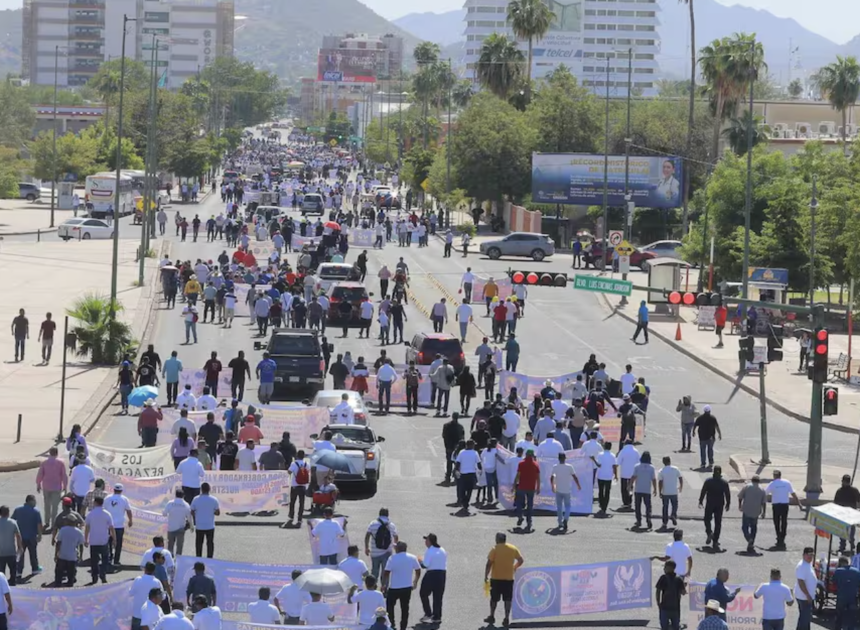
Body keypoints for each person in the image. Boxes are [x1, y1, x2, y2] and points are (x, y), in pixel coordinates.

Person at [485, 532, 523, 628]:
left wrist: (486, 575)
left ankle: (492, 616)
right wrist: (514, 567)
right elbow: (521, 560)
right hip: (509, 579)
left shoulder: (495, 549)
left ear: (497, 539)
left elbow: (489, 563)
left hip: (496, 578)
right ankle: (506, 618)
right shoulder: (513, 548)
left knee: (494, 599)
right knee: (507, 599)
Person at [383, 541, 421, 630]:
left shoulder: (392, 558)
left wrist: (384, 584)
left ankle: (392, 624)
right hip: (407, 587)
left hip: (394, 588)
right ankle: (403, 627)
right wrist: (415, 582)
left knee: (390, 606)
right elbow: (418, 570)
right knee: (405, 608)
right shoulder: (412, 557)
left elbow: (386, 573)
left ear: (397, 549)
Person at [765, 470, 801, 550]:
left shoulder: (772, 484)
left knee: (776, 521)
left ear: (774, 476)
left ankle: (779, 536)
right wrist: (799, 503)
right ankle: (782, 536)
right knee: (784, 521)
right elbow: (793, 493)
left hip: (776, 505)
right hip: (785, 505)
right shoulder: (787, 482)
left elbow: (765, 493)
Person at [699, 466, 731, 551]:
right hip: (719, 504)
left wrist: (700, 501)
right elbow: (727, 494)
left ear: (713, 472)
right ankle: (715, 540)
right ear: (720, 473)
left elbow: (703, 491)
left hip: (710, 503)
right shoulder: (724, 482)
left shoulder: (708, 481)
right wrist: (728, 504)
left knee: (707, 519)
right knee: (718, 522)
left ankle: (709, 532)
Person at [35, 446, 67, 532]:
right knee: (55, 506)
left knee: (47, 505)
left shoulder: (44, 463)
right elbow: (64, 475)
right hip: (56, 487)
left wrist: (38, 484)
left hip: (46, 487)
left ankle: (46, 522)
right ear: (57, 453)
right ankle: (53, 523)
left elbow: (40, 474)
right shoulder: (61, 463)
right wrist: (65, 486)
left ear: (49, 453)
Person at [84, 496, 114, 584]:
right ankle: (103, 574)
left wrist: (86, 539)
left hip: (93, 541)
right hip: (104, 540)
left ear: (95, 503)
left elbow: (87, 527)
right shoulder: (107, 514)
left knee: (94, 560)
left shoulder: (90, 514)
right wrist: (114, 539)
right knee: (105, 559)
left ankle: (94, 577)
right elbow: (111, 528)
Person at [419, 534, 447, 624]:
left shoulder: (429, 550)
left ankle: (428, 613)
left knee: (423, 593)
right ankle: (437, 616)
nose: (425, 542)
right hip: (442, 574)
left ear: (430, 541)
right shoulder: (442, 549)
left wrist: (420, 561)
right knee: (438, 596)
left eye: (426, 540)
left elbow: (425, 565)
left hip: (431, 574)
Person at [550, 453, 581, 531]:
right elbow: (575, 477)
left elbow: (551, 477)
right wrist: (578, 485)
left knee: (559, 506)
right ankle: (566, 519)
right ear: (565, 458)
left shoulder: (555, 467)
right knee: (568, 506)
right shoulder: (569, 467)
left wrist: (553, 486)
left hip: (559, 489)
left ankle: (560, 522)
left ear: (558, 458)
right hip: (567, 490)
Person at [366, 507, 399, 579]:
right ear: (388, 515)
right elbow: (396, 536)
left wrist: (366, 548)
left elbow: (367, 535)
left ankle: (372, 586)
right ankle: (384, 588)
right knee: (385, 572)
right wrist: (394, 545)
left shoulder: (373, 523)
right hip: (387, 552)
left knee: (374, 571)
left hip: (375, 553)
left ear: (379, 514)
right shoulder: (391, 525)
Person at [105, 483, 133, 566]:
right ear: (121, 491)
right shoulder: (124, 499)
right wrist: (130, 520)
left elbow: (103, 509)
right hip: (119, 525)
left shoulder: (107, 498)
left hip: (108, 524)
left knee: (108, 542)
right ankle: (116, 561)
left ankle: (109, 558)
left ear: (113, 489)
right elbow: (128, 510)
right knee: (118, 543)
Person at [129, 563, 163, 630]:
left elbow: (130, 593)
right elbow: (162, 597)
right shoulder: (157, 582)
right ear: (154, 571)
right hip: (150, 616)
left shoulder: (138, 580)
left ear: (145, 569)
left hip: (137, 614)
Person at [190, 483, 220, 558]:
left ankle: (198, 558)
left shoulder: (196, 499)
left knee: (199, 544)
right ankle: (209, 558)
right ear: (209, 489)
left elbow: (192, 511)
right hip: (210, 525)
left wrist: (197, 514)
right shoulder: (214, 499)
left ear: (201, 489)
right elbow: (217, 512)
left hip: (199, 525)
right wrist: (212, 511)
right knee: (210, 543)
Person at [630, 451, 657, 529]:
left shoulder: (637, 466)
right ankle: (648, 517)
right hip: (647, 489)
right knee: (648, 506)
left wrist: (630, 485)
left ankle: (639, 520)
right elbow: (654, 479)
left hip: (638, 489)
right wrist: (655, 489)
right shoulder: (651, 467)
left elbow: (633, 477)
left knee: (637, 506)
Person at [656, 560, 686, 630]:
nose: (664, 569)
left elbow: (658, 591)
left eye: (665, 567)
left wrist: (658, 602)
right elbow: (683, 592)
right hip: (675, 608)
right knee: (675, 627)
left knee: (664, 627)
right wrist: (683, 586)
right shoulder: (679, 579)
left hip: (664, 607)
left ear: (670, 568)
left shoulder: (663, 578)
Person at [53, 518, 84, 587]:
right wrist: (81, 556)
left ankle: (57, 587)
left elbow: (58, 543)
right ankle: (69, 589)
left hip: (62, 555)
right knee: (71, 575)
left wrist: (56, 554)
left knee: (59, 574)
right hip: (72, 557)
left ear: (67, 522)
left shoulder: (63, 530)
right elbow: (81, 545)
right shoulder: (79, 532)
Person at [514, 450, 540, 531]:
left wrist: (514, 484)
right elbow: (538, 478)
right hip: (531, 487)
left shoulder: (521, 464)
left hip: (522, 486)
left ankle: (520, 516)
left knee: (519, 502)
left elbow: (518, 475)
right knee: (530, 505)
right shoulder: (536, 465)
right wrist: (538, 487)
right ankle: (529, 521)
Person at [832, 555, 860, 630]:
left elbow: (833, 581)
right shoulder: (857, 571)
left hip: (841, 597)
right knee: (851, 616)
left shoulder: (838, 571)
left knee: (839, 616)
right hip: (852, 598)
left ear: (840, 563)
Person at [163, 490, 193, 557]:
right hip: (181, 528)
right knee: (179, 546)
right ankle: (178, 562)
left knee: (170, 546)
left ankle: (170, 561)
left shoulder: (170, 503)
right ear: (183, 496)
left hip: (171, 528)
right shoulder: (186, 504)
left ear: (175, 495)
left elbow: (164, 513)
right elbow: (189, 517)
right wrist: (191, 526)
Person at [835, 474, 860, 552]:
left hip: (851, 514)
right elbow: (836, 503)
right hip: (842, 514)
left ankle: (852, 545)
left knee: (851, 532)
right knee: (842, 531)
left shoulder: (854, 490)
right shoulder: (839, 491)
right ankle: (842, 546)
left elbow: (859, 500)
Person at [795, 547, 817, 630]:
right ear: (804, 555)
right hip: (803, 597)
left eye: (812, 555)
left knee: (805, 618)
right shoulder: (802, 566)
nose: (811, 557)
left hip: (806, 596)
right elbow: (801, 582)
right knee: (805, 618)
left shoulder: (808, 564)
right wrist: (807, 595)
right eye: (809, 555)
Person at [692, 405, 721, 469]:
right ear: (710, 411)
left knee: (703, 451)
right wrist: (719, 434)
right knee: (710, 450)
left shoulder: (700, 418)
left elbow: (695, 425)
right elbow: (717, 426)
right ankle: (710, 462)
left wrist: (693, 432)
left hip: (702, 437)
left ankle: (703, 463)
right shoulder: (713, 418)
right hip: (711, 437)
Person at [595, 442, 618, 516]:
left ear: (604, 447)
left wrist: (593, 460)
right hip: (608, 476)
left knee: (601, 491)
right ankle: (605, 506)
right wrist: (616, 475)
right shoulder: (613, 455)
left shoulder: (600, 455)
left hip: (601, 475)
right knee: (607, 492)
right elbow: (614, 466)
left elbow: (599, 465)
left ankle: (601, 505)